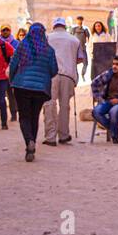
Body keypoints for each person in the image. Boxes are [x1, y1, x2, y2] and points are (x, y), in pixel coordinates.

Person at [7, 22, 57, 161]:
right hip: (40, 89)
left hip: (21, 86)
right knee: (34, 117)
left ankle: (29, 141)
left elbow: (13, 64)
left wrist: (12, 80)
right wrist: (43, 78)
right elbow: (54, 70)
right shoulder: (49, 50)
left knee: (24, 116)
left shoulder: (22, 45)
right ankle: (32, 144)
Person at [43, 17, 87, 146]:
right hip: (68, 75)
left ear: (54, 26)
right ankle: (63, 135)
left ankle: (50, 137)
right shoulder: (74, 40)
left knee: (49, 104)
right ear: (65, 26)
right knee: (64, 106)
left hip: (51, 75)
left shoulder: (47, 38)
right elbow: (80, 59)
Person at [1, 26, 19, 122]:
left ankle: (14, 114)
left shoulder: (15, 43)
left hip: (12, 71)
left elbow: (18, 56)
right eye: (3, 30)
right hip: (0, 71)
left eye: (7, 30)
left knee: (11, 94)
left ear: (10, 31)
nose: (5, 32)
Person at [70, 16, 91, 80]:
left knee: (86, 63)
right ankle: (76, 77)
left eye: (81, 20)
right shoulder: (74, 29)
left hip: (83, 49)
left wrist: (89, 46)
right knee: (74, 64)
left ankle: (83, 74)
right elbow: (70, 37)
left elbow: (89, 38)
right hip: (75, 49)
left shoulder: (85, 29)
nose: (79, 21)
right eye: (78, 20)